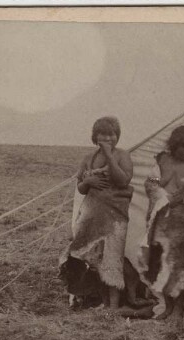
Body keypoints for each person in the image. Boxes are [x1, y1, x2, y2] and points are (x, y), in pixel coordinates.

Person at [59, 116, 133, 310]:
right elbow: (81, 189)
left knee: (112, 258)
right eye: (104, 134)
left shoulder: (123, 156)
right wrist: (88, 182)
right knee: (93, 259)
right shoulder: (87, 159)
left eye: (113, 134)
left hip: (115, 217)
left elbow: (123, 180)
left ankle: (114, 307)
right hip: (91, 216)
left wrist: (109, 155)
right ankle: (102, 301)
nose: (109, 138)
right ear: (95, 136)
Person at [140, 125, 184, 320]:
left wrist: (174, 198)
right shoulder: (162, 160)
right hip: (162, 218)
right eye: (183, 147)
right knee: (162, 263)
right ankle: (168, 307)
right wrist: (162, 197)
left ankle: (178, 309)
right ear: (174, 146)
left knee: (179, 265)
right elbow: (151, 184)